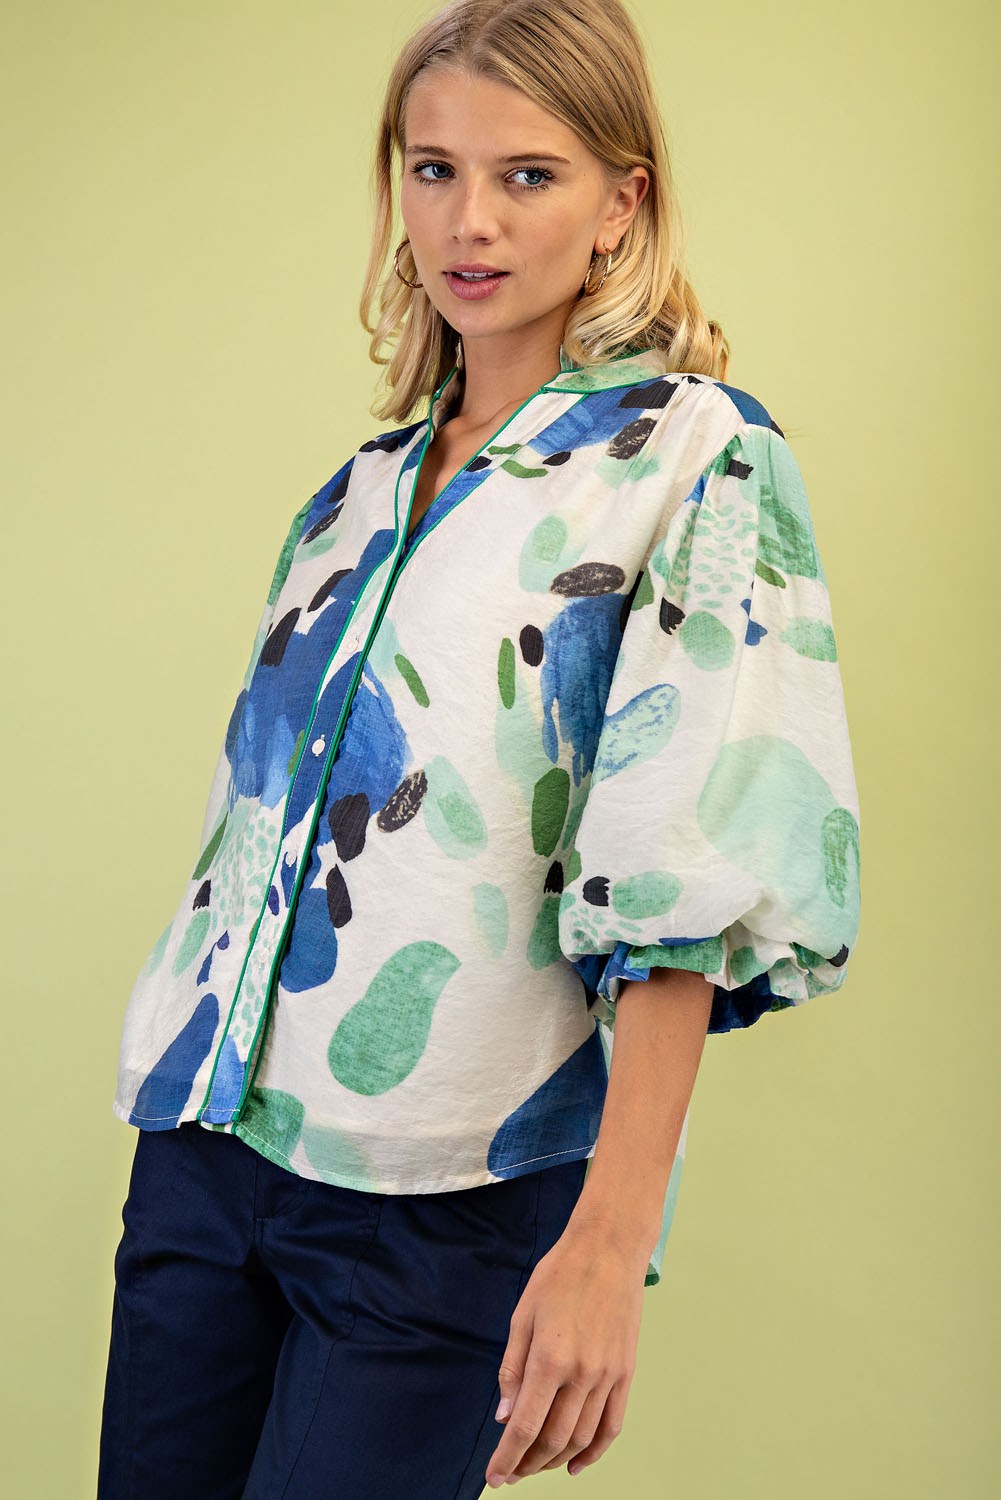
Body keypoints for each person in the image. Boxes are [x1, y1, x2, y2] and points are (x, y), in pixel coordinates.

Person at [98, 0, 861, 1494]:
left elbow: (681, 877)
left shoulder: (692, 457)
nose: (469, 220)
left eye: (527, 174)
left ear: (620, 201)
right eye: (432, 168)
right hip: (204, 1152)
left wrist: (608, 1245)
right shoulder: (357, 492)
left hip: (443, 1192)